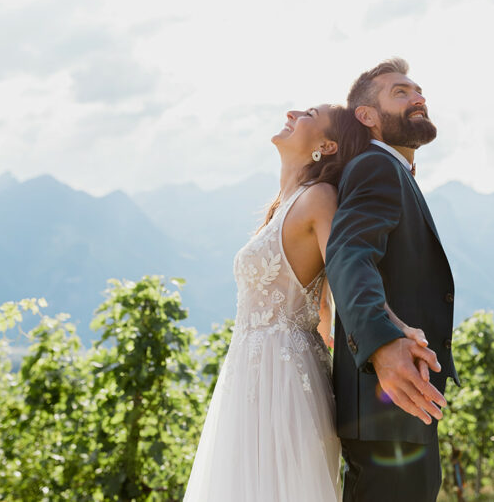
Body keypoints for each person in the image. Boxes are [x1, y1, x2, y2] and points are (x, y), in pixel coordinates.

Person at [183, 102, 431, 501]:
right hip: (247, 372)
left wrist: (394, 330)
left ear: (328, 145)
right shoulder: (282, 206)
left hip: (285, 376)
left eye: (309, 115)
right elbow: (322, 306)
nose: (294, 111)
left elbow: (348, 269)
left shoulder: (318, 198)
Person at [326, 58, 458, 502]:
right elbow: (347, 253)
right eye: (399, 92)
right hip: (386, 400)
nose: (418, 97)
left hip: (397, 403)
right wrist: (381, 344)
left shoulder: (393, 171)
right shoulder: (375, 167)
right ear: (367, 116)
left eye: (418, 90)